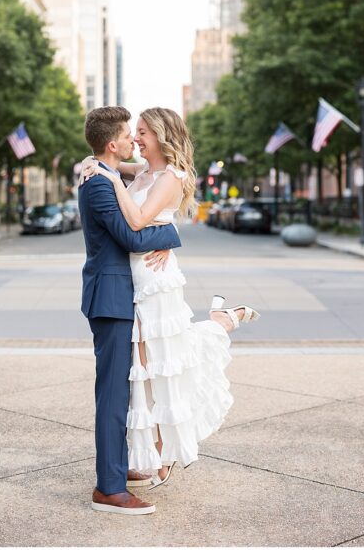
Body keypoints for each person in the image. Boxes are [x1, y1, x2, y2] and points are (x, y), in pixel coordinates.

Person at [80, 107, 260, 492]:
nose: (137, 138)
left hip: (155, 279)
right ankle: (152, 454)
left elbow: (138, 221)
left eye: (142, 132)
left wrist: (113, 183)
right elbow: (109, 161)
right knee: (148, 370)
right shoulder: (141, 171)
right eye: (134, 132)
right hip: (136, 279)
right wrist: (95, 164)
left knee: (164, 363)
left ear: (161, 136)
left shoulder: (170, 176)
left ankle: (163, 451)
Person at [77, 106, 182, 516]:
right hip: (112, 297)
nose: (133, 140)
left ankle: (117, 471)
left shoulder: (106, 175)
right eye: (128, 134)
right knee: (113, 394)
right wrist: (172, 233)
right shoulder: (101, 184)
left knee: (124, 389)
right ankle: (109, 488)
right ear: (112, 144)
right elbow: (131, 237)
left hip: (119, 294)